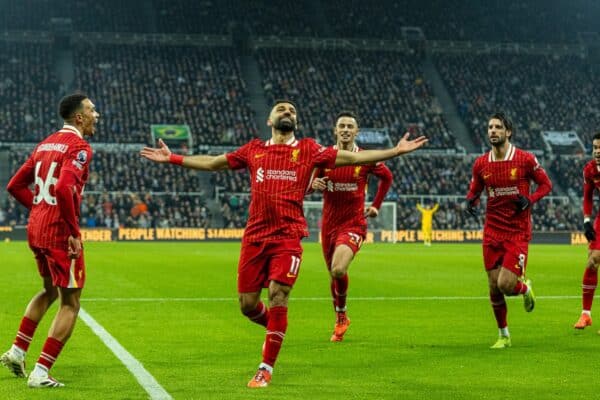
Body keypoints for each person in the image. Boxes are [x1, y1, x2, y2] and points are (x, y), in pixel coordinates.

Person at [140, 100, 427, 388]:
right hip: (254, 237)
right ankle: (275, 328)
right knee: (247, 305)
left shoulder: (309, 150)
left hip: (288, 237)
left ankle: (265, 368)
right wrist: (174, 158)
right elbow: (215, 163)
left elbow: (354, 159)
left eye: (292, 111)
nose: (287, 112)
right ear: (269, 120)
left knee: (279, 295)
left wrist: (396, 151)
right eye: (281, 109)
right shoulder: (254, 149)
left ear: (297, 123)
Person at [2, 93, 99, 387]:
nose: (97, 115)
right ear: (79, 117)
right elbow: (64, 186)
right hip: (58, 232)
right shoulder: (79, 147)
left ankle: (17, 352)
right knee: (71, 303)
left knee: (48, 290)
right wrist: (72, 231)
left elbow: (14, 185)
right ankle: (41, 372)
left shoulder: (45, 143)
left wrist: (39, 209)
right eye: (92, 110)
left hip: (37, 228)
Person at [464, 112, 551, 349]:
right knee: (493, 286)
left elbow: (546, 184)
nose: (492, 131)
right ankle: (504, 334)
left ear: (508, 132)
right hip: (492, 231)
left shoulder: (524, 159)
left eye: (498, 127)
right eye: (490, 127)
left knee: (505, 284)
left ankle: (525, 288)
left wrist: (530, 199)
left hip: (517, 231)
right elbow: (476, 188)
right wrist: (470, 200)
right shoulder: (481, 163)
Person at [310, 111, 392, 342]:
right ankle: (340, 317)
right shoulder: (324, 157)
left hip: (353, 223)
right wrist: (313, 185)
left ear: (356, 132)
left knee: (338, 269)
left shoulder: (365, 158)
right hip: (328, 225)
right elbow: (307, 185)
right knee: (334, 274)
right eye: (342, 126)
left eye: (350, 126)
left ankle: (341, 314)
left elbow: (386, 177)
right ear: (335, 131)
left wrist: (375, 205)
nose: (345, 129)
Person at [573, 132, 600, 330]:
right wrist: (587, 220)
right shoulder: (590, 170)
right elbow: (588, 197)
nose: (597, 152)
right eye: (595, 148)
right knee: (592, 260)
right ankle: (586, 314)